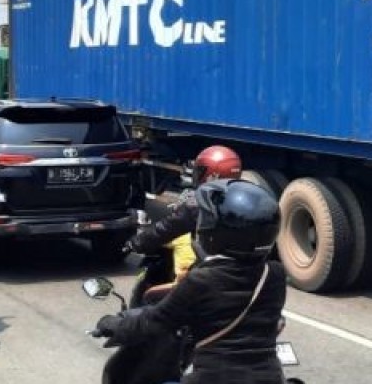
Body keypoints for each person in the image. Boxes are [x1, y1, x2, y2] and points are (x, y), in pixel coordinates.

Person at [94, 179, 286, 384]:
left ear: (218, 231)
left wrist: (114, 324)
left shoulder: (202, 280)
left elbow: (154, 322)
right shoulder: (274, 273)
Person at [128, 145, 242, 277]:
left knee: (158, 295)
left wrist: (136, 243)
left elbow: (166, 228)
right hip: (247, 270)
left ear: (213, 175)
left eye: (201, 170)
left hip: (210, 270)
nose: (197, 174)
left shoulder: (200, 204)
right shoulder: (244, 200)